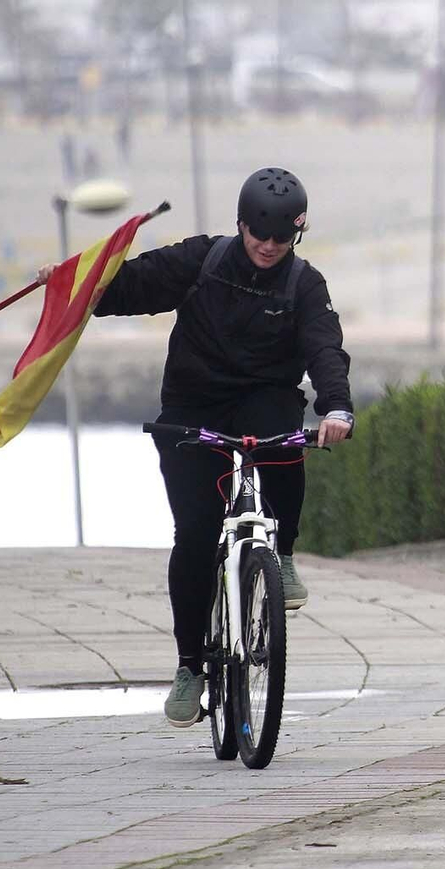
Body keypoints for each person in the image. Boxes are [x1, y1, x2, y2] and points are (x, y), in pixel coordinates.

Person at [38, 167, 353, 727]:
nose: (270, 246)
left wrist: (337, 408)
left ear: (297, 234)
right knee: (196, 533)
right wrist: (72, 284)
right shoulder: (202, 260)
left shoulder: (305, 284)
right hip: (192, 407)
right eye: (260, 234)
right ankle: (189, 667)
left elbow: (325, 348)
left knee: (285, 442)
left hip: (264, 398)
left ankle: (281, 556)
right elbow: (133, 285)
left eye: (283, 237)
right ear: (241, 224)